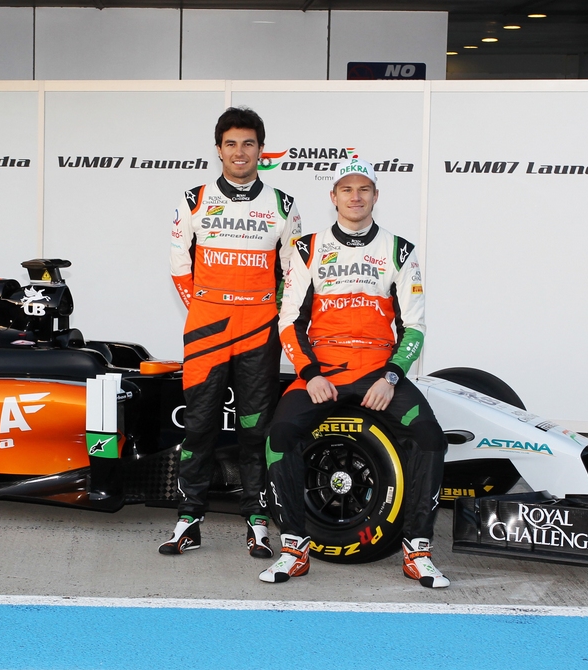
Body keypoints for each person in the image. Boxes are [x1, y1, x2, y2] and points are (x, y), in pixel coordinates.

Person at [259, 159, 449, 588]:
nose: (356, 196)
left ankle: (417, 550)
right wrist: (309, 374)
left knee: (430, 438)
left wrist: (392, 377)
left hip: (377, 374)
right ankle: (294, 547)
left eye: (364, 189)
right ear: (334, 198)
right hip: (321, 373)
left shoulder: (399, 251)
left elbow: (415, 326)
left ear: (376, 196)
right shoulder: (308, 248)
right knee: (279, 437)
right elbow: (288, 321)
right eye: (347, 189)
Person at [161, 107, 301, 558]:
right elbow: (179, 265)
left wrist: (270, 316)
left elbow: (293, 275)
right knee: (199, 426)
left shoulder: (283, 205)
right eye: (231, 144)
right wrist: (207, 310)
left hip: (258, 331)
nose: (240, 152)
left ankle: (257, 520)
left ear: (261, 149)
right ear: (218, 149)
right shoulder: (194, 198)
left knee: (254, 429)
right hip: (207, 329)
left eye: (249, 143)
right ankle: (188, 518)